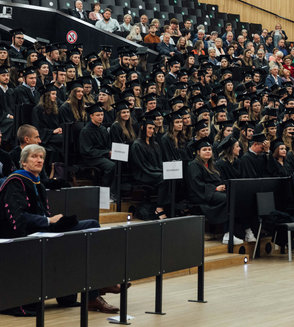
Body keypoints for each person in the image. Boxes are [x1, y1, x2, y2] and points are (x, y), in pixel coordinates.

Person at [0, 144, 120, 314]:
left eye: (41, 157)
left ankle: (96, 287)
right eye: (34, 156)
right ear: (23, 162)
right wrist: (48, 220)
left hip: (41, 230)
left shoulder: (37, 182)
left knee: (91, 226)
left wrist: (56, 222)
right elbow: (18, 217)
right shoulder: (16, 182)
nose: (39, 160)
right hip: (23, 236)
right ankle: (96, 290)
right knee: (89, 228)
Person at [186, 139, 246, 245]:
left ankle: (238, 231)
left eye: (209, 149)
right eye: (204, 150)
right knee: (228, 199)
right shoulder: (193, 165)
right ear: (198, 152)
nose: (208, 151)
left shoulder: (211, 165)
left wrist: (222, 186)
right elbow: (196, 185)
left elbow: (218, 180)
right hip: (200, 195)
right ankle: (227, 234)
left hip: (212, 193)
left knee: (236, 197)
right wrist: (215, 189)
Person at [130, 114, 169, 220]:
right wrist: (158, 172)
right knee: (163, 178)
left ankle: (168, 206)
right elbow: (141, 164)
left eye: (153, 128)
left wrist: (162, 170)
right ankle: (159, 208)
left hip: (154, 171)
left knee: (171, 177)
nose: (152, 131)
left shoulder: (155, 144)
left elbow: (159, 162)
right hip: (142, 173)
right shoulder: (137, 144)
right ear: (143, 128)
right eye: (150, 128)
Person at [79, 103, 115, 192]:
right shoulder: (86, 131)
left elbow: (108, 145)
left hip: (102, 155)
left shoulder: (102, 129)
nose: (100, 117)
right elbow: (87, 150)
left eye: (102, 115)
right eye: (98, 115)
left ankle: (115, 191)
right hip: (91, 158)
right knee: (111, 166)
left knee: (120, 163)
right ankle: (104, 190)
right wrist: (107, 153)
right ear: (91, 116)